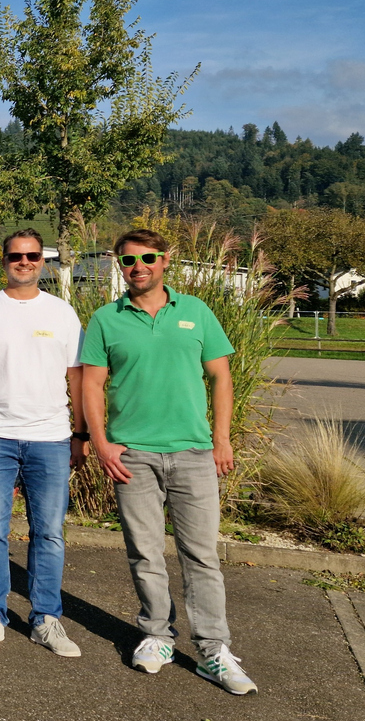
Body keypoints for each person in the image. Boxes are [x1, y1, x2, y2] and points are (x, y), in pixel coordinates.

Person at [80, 228, 257, 695]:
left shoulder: (196, 312)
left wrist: (221, 440)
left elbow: (221, 377)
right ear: (120, 267)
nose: (139, 267)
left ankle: (213, 649)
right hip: (131, 455)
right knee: (145, 552)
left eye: (148, 258)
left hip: (193, 453)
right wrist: (100, 442)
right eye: (129, 261)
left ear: (165, 261)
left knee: (201, 555)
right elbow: (91, 386)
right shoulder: (105, 319)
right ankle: (157, 634)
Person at [0, 228, 85, 658]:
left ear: (43, 261)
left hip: (49, 437)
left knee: (49, 533)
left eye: (32, 255)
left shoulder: (62, 314)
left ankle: (46, 619)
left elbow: (77, 378)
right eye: (16, 255)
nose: (24, 262)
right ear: (3, 260)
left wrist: (81, 433)